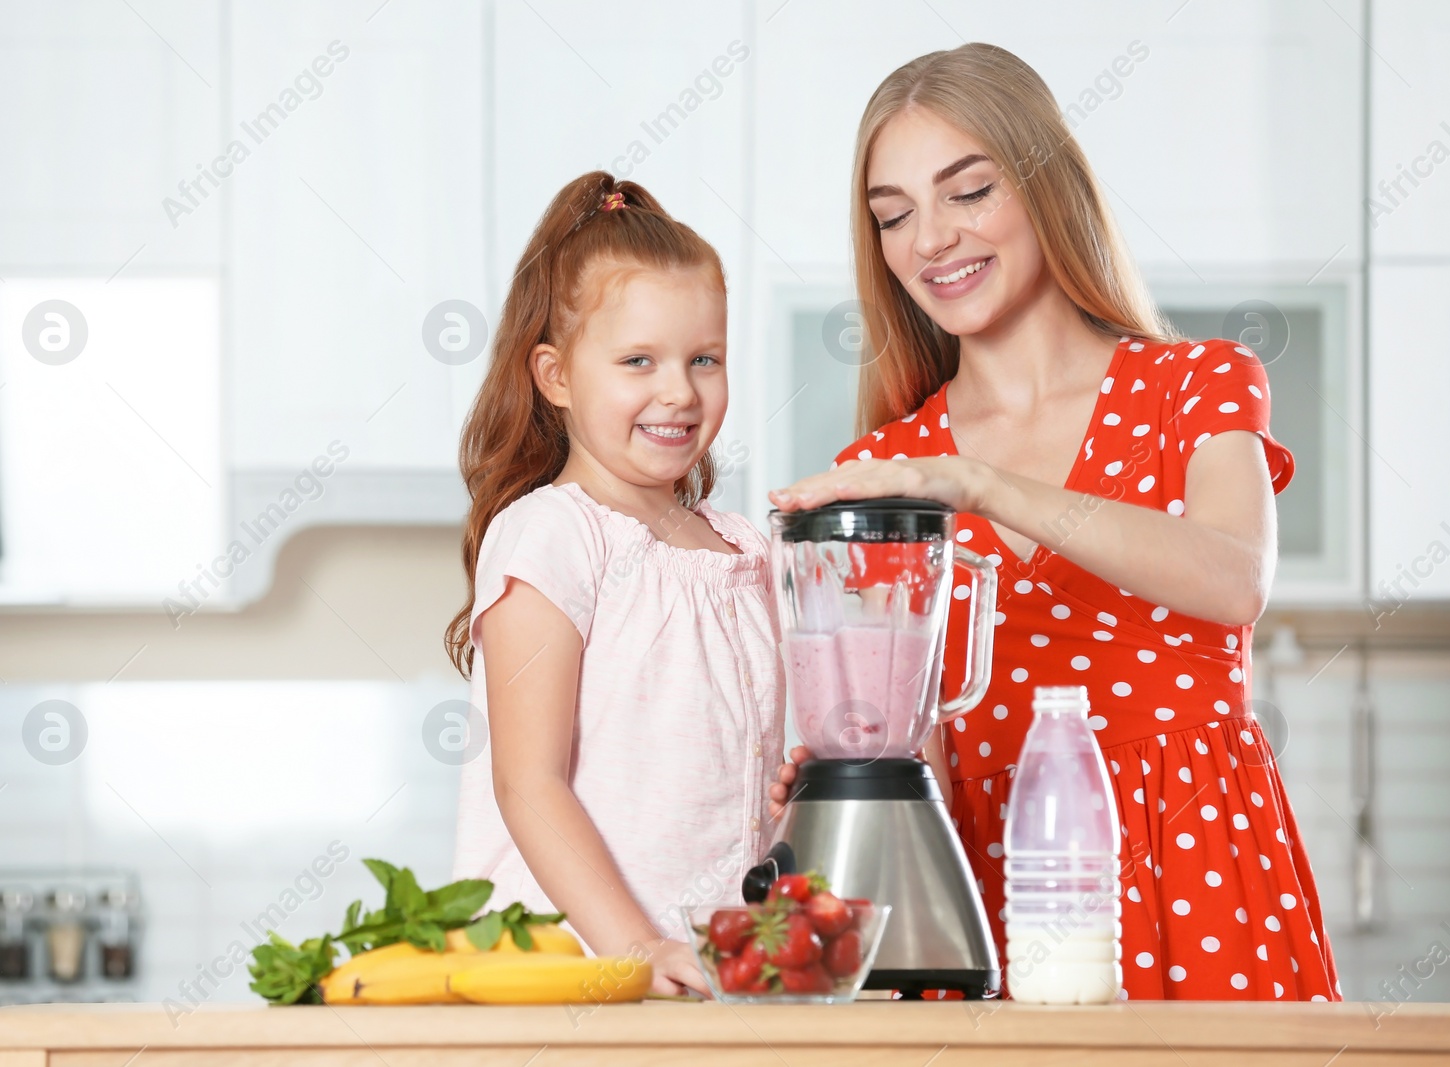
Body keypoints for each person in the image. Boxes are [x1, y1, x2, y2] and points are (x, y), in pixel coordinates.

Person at [768, 44, 1340, 1002]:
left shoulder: (1194, 387)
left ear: (1045, 182)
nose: (932, 240)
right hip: (993, 899)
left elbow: (1232, 574)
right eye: (895, 215)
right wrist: (857, 795)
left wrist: (982, 484)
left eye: (969, 191)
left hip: (1198, 874)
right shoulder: (891, 469)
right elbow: (933, 759)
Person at [446, 171, 784, 996]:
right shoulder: (552, 535)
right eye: (639, 360)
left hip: (710, 989)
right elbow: (529, 782)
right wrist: (639, 947)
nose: (679, 391)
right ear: (557, 377)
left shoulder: (747, 551)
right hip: (577, 988)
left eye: (705, 359)